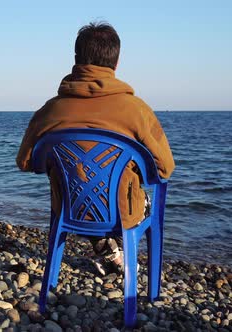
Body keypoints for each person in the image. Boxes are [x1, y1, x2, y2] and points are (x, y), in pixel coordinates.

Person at [16, 22, 175, 275]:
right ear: (117, 62)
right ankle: (120, 255)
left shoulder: (49, 111)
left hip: (69, 208)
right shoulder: (137, 110)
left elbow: (25, 163)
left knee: (84, 181)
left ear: (76, 59)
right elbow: (165, 169)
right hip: (125, 213)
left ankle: (108, 250)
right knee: (133, 195)